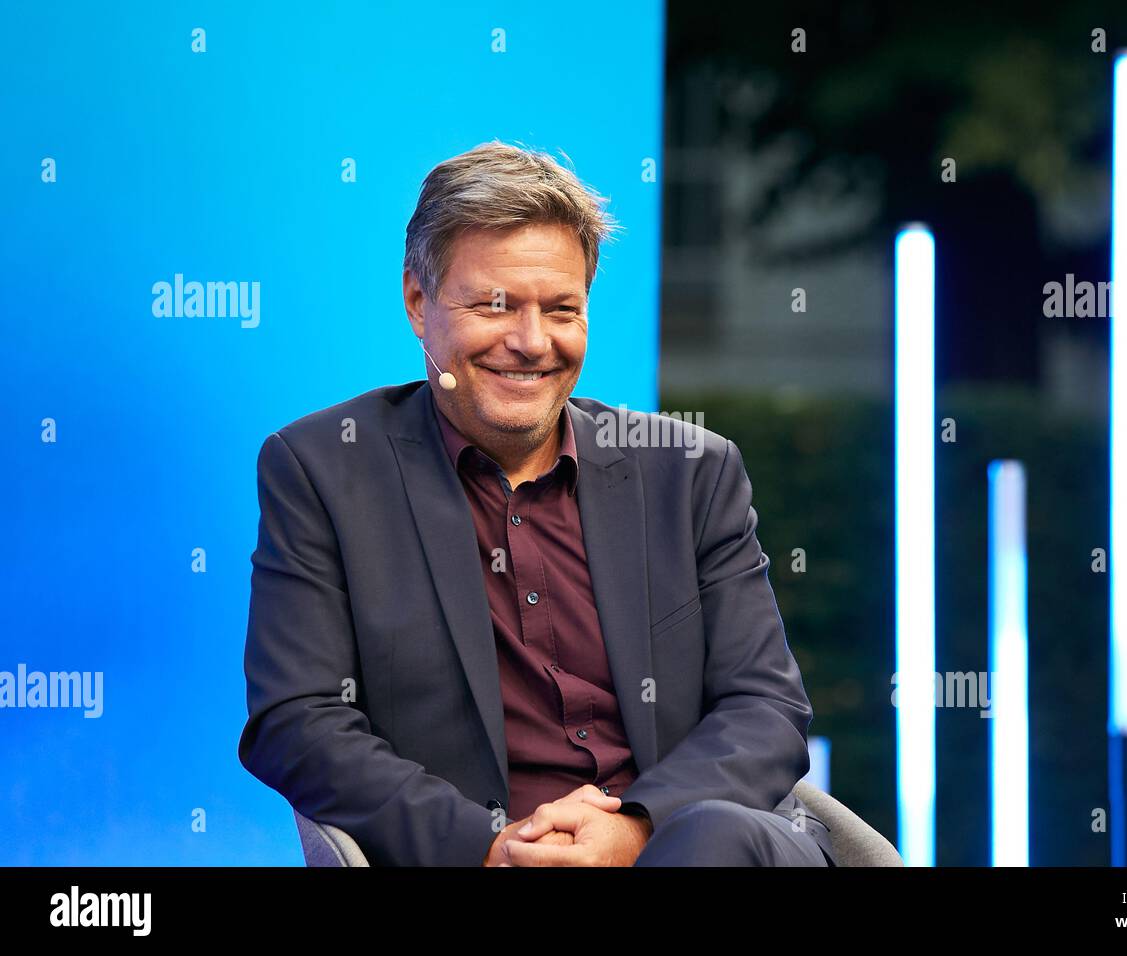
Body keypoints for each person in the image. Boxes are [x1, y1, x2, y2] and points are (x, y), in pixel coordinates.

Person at [238, 140, 834, 867]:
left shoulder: (691, 473)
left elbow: (766, 711)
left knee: (710, 838)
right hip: (486, 856)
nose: (531, 342)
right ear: (419, 303)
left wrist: (637, 830)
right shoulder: (325, 472)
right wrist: (489, 849)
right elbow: (297, 721)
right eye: (495, 305)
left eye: (561, 309)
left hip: (696, 847)